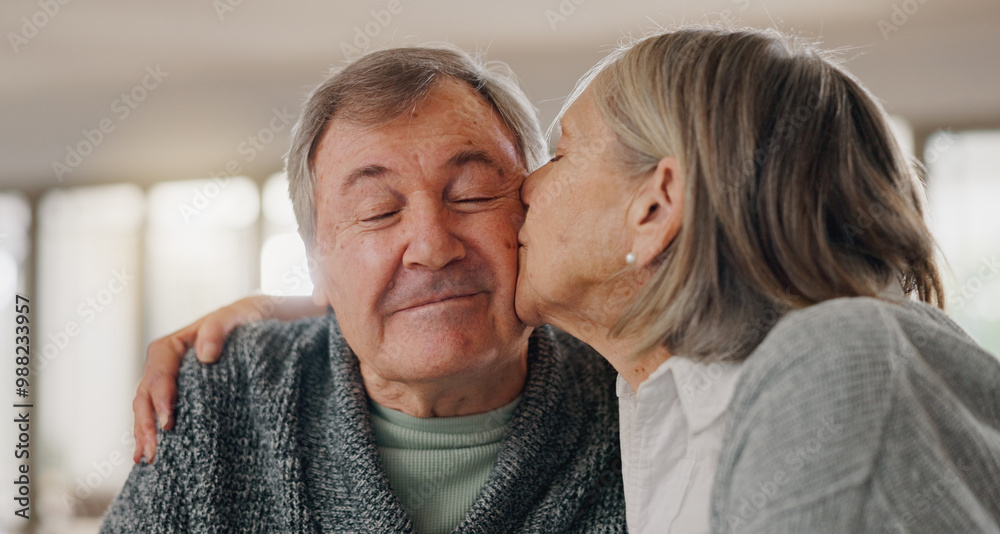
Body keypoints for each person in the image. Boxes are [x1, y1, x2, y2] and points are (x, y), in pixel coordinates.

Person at [134, 27, 1000, 533]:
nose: (435, 245)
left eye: (490, 188)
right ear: (316, 251)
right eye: (375, 216)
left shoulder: (818, 375)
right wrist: (312, 315)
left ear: (655, 208)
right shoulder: (661, 398)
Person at [102, 45, 626, 533]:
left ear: (531, 213)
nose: (432, 246)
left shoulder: (630, 392)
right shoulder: (218, 397)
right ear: (315, 264)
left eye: (472, 195)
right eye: (378, 211)